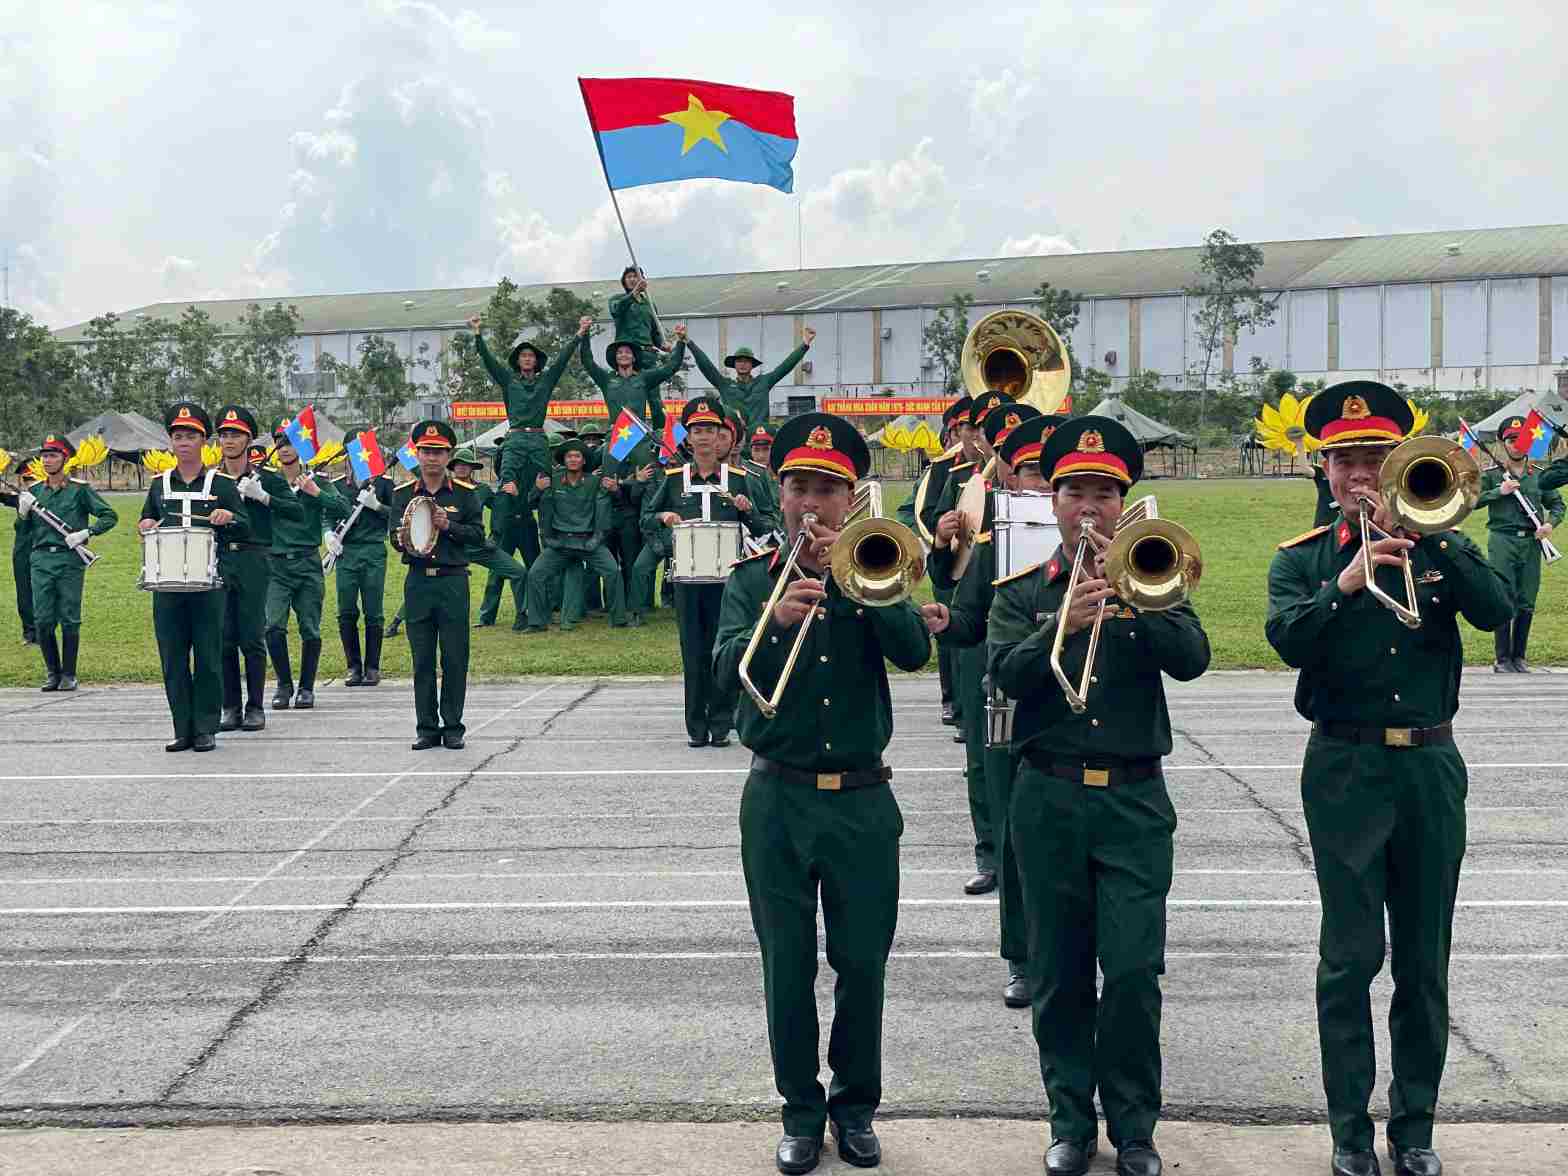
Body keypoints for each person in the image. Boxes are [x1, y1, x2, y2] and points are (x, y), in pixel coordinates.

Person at [1266, 381, 1511, 1176]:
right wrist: (1344, 583)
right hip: (1344, 766)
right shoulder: (1303, 561)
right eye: (1346, 461)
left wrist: (1432, 536)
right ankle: (1348, 1132)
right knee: (1350, 956)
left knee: (1423, 958)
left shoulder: (1440, 542)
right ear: (1325, 471)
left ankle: (1415, 1129)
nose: (1362, 474)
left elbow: (1496, 607)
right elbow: (1287, 641)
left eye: (1376, 457)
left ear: (1402, 461)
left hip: (1430, 766)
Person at [989, 416, 1210, 1176]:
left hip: (1134, 802)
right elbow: (1003, 680)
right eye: (1075, 492)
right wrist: (1061, 623)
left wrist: (1138, 602)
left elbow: (1193, 662)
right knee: (1056, 972)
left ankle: (1137, 1129)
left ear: (1124, 504)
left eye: (1104, 494)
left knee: (1134, 970)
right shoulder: (1023, 592)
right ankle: (1070, 1123)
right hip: (1046, 797)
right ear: (1052, 501)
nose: (1089, 507)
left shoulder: (1157, 574)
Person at [713, 411, 931, 1175]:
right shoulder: (749, 580)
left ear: (851, 498)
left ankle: (857, 1108)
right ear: (779, 494)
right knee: (786, 966)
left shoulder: (876, 569)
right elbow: (719, 678)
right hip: (776, 800)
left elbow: (913, 652)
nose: (812, 504)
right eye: (799, 487)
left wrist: (867, 586)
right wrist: (773, 621)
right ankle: (800, 1112)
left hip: (864, 801)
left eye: (827, 491)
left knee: (863, 963)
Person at [921, 407, 1055, 1009]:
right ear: (1010, 474)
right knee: (1013, 830)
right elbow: (969, 612)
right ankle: (1023, 958)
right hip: (1008, 698)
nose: (1042, 485)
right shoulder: (992, 534)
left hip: (1088, 714)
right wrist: (947, 619)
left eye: (1054, 474)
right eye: (1030, 471)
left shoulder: (1113, 538)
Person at [640, 397, 771, 747]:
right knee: (693, 652)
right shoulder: (671, 480)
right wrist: (664, 519)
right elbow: (645, 520)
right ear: (688, 436)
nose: (703, 437)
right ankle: (696, 726)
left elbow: (767, 527)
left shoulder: (741, 479)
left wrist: (748, 511)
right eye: (697, 430)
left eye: (710, 430)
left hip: (729, 582)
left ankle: (722, 723)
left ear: (722, 436)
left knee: (724, 650)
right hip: (688, 580)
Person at [929, 391, 1010, 891]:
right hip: (977, 634)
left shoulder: (1056, 503)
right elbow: (947, 567)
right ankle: (990, 855)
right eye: (997, 442)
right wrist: (940, 539)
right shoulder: (963, 483)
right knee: (982, 754)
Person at [138, 402, 251, 752]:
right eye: (177, 436)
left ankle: (205, 727)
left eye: (191, 436)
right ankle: (182, 728)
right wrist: (144, 525)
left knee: (208, 658)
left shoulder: (223, 484)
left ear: (204, 441)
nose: (183, 442)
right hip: (167, 586)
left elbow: (247, 526)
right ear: (171, 442)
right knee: (172, 658)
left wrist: (227, 516)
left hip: (208, 585)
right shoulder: (159, 485)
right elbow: (146, 520)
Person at [390, 420, 485, 750]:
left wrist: (449, 525)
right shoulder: (402, 494)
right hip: (418, 583)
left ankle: (453, 726)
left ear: (448, 455)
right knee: (422, 659)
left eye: (439, 451)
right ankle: (427, 727)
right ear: (417, 454)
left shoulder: (464, 494)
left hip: (452, 580)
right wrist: (401, 540)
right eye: (426, 451)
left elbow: (477, 536)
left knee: (455, 656)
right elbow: (394, 537)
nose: (432, 457)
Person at [2, 433, 117, 691]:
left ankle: (69, 674)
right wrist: (22, 512)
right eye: (44, 455)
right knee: (42, 619)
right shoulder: (34, 491)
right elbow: (22, 532)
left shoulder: (79, 490)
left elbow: (109, 516)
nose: (47, 460)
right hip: (41, 559)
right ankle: (52, 672)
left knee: (69, 617)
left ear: (65, 459)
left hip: (69, 560)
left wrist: (87, 532)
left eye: (53, 455)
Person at [213, 406, 301, 730]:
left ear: (249, 439)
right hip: (220, 558)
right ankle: (230, 707)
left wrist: (263, 497)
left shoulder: (268, 479)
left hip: (254, 558)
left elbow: (296, 513)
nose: (229, 440)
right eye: (224, 434)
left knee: (251, 636)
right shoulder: (213, 479)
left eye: (235, 434)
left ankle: (254, 706)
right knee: (224, 637)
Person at [469, 314, 581, 549]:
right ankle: (496, 535)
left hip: (539, 437)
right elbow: (490, 362)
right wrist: (478, 334)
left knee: (545, 483)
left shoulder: (546, 380)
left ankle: (550, 535)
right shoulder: (509, 380)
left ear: (536, 361)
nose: (527, 359)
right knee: (507, 483)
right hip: (516, 436)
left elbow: (561, 361)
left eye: (531, 356)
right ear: (518, 361)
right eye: (523, 356)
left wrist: (579, 335)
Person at [896, 395, 975, 728]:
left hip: (983, 566)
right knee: (951, 636)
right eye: (965, 428)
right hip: (953, 561)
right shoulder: (945, 466)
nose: (968, 435)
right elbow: (923, 512)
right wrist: (942, 536)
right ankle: (954, 704)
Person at [266, 421, 350, 710]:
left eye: (291, 442)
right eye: (280, 442)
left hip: (306, 563)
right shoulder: (268, 481)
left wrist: (316, 492)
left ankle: (306, 687)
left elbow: (344, 509)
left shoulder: (317, 479)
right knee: (272, 626)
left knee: (310, 628)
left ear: (301, 447)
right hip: (275, 565)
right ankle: (283, 684)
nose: (285, 448)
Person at [1477, 415, 1561, 672]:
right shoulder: (1492, 475)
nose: (1516, 444)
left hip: (1531, 544)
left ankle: (1519, 657)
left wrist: (1549, 525)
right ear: (1503, 443)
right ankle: (1502, 659)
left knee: (1527, 599)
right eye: (1510, 440)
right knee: (1503, 596)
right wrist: (1497, 492)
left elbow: (1557, 504)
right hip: (1502, 540)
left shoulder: (1539, 476)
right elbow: (1471, 501)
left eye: (1520, 439)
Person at [520, 437, 627, 632]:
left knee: (613, 572)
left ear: (584, 460)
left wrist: (615, 489)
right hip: (560, 542)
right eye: (569, 456)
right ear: (564, 460)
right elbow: (530, 502)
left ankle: (619, 619)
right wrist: (537, 489)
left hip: (589, 542)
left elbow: (618, 503)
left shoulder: (595, 482)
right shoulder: (552, 480)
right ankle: (536, 623)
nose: (573, 459)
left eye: (577, 456)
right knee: (535, 574)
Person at [578, 321, 688, 475]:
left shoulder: (644, 378)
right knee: (609, 478)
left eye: (628, 352)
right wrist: (585, 334)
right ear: (615, 358)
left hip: (640, 437)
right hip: (616, 435)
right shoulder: (606, 380)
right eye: (620, 352)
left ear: (634, 357)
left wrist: (681, 342)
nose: (624, 355)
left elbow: (671, 367)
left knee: (649, 475)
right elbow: (588, 362)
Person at [326, 448, 395, 685]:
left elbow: (399, 515)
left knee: (373, 610)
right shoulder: (337, 485)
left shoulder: (384, 484)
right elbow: (328, 512)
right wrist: (328, 534)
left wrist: (377, 506)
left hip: (373, 550)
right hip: (347, 552)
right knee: (345, 610)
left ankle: (373, 667)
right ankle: (353, 667)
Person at [445, 448, 527, 630]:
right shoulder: (445, 488)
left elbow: (500, 508)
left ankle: (523, 617)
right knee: (432, 580)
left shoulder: (481, 489)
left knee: (519, 572)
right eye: (459, 465)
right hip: (450, 546)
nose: (462, 468)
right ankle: (397, 621)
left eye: (466, 465)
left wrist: (513, 496)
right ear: (453, 467)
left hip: (478, 545)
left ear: (472, 468)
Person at [686, 330, 815, 431]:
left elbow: (785, 366)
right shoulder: (725, 384)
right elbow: (707, 367)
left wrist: (804, 345)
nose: (743, 364)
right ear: (734, 365)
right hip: (734, 440)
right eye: (739, 361)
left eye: (747, 361)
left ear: (752, 365)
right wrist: (689, 343)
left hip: (759, 440)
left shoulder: (764, 381)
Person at [607, 265, 668, 369]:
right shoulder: (617, 299)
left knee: (651, 383)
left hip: (648, 355)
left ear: (642, 280)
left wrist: (663, 346)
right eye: (629, 277)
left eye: (635, 276)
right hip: (627, 353)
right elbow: (616, 310)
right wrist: (634, 294)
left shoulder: (649, 305)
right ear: (624, 281)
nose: (632, 279)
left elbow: (654, 332)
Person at [5, 466, 38, 645]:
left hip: (45, 550)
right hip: (23, 550)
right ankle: (30, 632)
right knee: (24, 593)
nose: (28, 483)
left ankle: (44, 631)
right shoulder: (21, 498)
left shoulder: (54, 496)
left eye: (32, 478)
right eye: (25, 480)